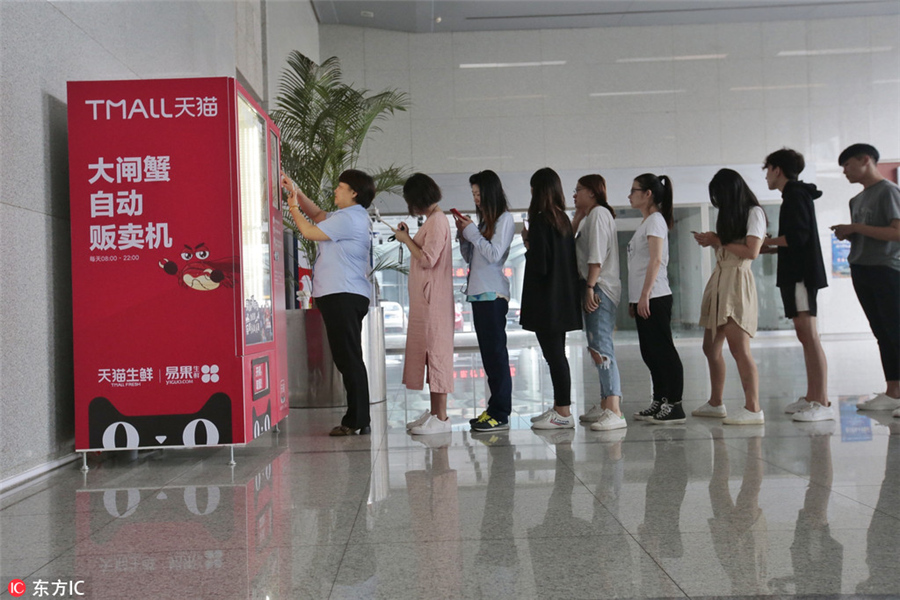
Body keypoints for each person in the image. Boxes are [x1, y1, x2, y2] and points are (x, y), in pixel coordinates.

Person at [282, 169, 374, 436]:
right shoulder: (346, 216)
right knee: (348, 357)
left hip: (343, 295)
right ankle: (359, 417)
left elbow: (309, 231)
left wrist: (293, 206)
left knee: (348, 358)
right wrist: (297, 191)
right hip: (342, 294)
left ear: (354, 192)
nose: (336, 190)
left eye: (340, 186)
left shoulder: (349, 218)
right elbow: (319, 215)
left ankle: (356, 419)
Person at [761, 148, 832, 422]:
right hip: (796, 273)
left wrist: (765, 241)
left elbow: (797, 238)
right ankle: (812, 396)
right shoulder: (794, 195)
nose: (766, 176)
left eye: (768, 170)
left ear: (777, 169)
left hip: (801, 276)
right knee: (805, 335)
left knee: (809, 335)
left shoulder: (795, 195)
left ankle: (821, 401)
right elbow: (794, 241)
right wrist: (771, 247)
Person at [831, 143, 900, 415]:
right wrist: (850, 233)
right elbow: (870, 234)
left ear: (865, 160)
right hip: (861, 268)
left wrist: (857, 227)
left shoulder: (889, 191)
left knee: (896, 330)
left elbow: (896, 232)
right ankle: (893, 392)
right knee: (881, 332)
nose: (845, 172)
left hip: (887, 269)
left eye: (847, 165)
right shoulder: (856, 200)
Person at [693, 169, 766, 425]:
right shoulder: (731, 215)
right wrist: (712, 241)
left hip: (736, 281)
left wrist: (719, 240)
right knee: (710, 347)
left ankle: (753, 408)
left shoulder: (754, 212)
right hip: (720, 279)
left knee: (738, 348)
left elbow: (752, 251)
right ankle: (716, 402)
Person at [450, 170, 515, 432]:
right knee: (489, 357)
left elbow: (494, 254)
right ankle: (493, 408)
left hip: (493, 295)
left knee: (496, 356)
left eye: (478, 193)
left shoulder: (504, 219)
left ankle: (501, 413)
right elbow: (472, 258)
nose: (476, 199)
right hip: (479, 294)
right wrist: (464, 236)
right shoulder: (484, 223)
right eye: (473, 194)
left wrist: (473, 234)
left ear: (490, 193)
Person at [520, 168, 582, 430]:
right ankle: (560, 407)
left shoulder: (540, 220)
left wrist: (528, 243)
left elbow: (540, 264)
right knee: (558, 354)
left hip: (545, 301)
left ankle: (563, 412)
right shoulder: (562, 219)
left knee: (554, 356)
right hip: (563, 298)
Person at [394, 173, 455, 435]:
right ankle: (434, 413)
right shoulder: (432, 219)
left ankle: (441, 417)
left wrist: (406, 240)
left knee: (437, 354)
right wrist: (408, 237)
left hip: (434, 300)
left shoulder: (438, 220)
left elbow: (428, 259)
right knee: (429, 354)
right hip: (427, 299)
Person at [626, 174, 686, 424]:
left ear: (648, 193)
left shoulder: (656, 221)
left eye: (634, 190)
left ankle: (675, 405)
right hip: (645, 298)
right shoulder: (647, 222)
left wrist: (644, 296)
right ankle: (660, 399)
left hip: (656, 296)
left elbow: (656, 260)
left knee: (663, 351)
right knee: (650, 353)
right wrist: (635, 299)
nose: (629, 195)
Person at [571, 174, 626, 432]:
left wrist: (590, 287)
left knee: (602, 346)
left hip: (599, 286)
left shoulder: (599, 215)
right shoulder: (590, 216)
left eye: (578, 190)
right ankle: (606, 403)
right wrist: (577, 216)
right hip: (596, 285)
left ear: (592, 192)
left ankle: (614, 409)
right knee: (596, 346)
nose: (574, 195)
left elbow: (596, 257)